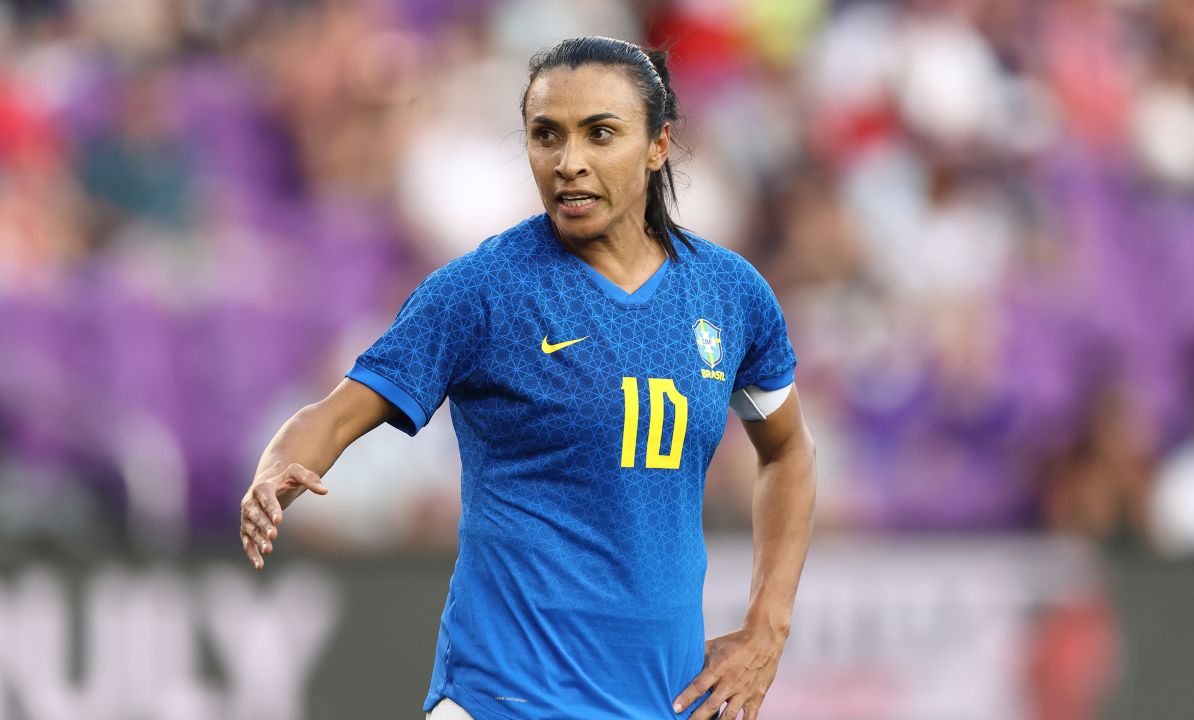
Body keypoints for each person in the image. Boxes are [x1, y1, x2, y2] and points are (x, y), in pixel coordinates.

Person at [238, 36, 816, 720]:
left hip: (663, 702)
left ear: (658, 146)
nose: (569, 162)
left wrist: (767, 627)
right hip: (504, 700)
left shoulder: (729, 294)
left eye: (600, 134)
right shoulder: (482, 290)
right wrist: (278, 464)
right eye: (547, 135)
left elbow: (786, 452)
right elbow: (336, 414)